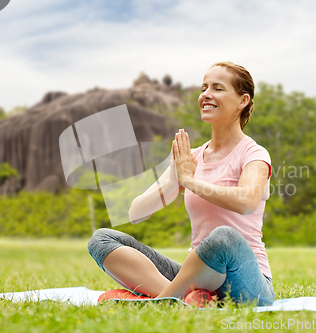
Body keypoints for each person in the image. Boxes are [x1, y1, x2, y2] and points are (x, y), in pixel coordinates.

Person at [88, 61, 275, 306]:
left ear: (243, 101)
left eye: (217, 88)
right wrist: (175, 180)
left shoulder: (254, 154)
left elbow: (247, 202)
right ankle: (184, 298)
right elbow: (135, 213)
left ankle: (163, 300)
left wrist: (190, 181)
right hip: (195, 275)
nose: (206, 94)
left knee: (224, 237)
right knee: (101, 239)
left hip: (246, 281)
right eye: (204, 88)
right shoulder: (191, 157)